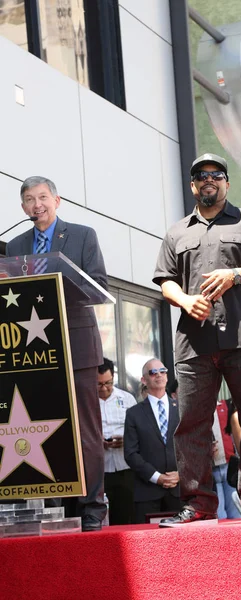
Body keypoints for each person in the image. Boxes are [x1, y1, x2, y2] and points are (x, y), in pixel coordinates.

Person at [153, 153, 241, 526]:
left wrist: (235, 275)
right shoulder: (177, 232)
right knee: (191, 426)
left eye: (216, 174)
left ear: (227, 183)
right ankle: (197, 504)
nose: (208, 179)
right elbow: (165, 280)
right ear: (193, 186)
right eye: (200, 176)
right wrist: (184, 299)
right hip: (194, 344)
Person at [7, 176, 107, 531]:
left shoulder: (82, 235)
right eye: (30, 200)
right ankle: (51, 504)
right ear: (23, 208)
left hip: (77, 346)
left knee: (84, 432)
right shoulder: (16, 243)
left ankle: (92, 508)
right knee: (41, 428)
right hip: (36, 351)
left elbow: (99, 287)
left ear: (57, 200)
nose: (37, 205)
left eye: (43, 197)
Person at [124, 358, 182, 523]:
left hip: (179, 490)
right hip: (147, 492)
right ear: (144, 379)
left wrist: (181, 474)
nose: (159, 375)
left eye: (162, 371)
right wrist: (157, 477)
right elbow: (130, 453)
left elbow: (193, 447)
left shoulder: (182, 408)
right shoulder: (134, 413)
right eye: (153, 372)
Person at [98, 358, 136, 525]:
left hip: (124, 466)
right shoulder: (86, 402)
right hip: (99, 469)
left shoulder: (127, 399)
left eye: (108, 383)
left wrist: (126, 439)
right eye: (99, 384)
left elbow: (139, 431)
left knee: (124, 516)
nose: (104, 388)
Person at [212, 399, 241, 519]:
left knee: (237, 511)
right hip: (211, 468)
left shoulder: (227, 405)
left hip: (229, 465)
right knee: (219, 514)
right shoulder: (198, 408)